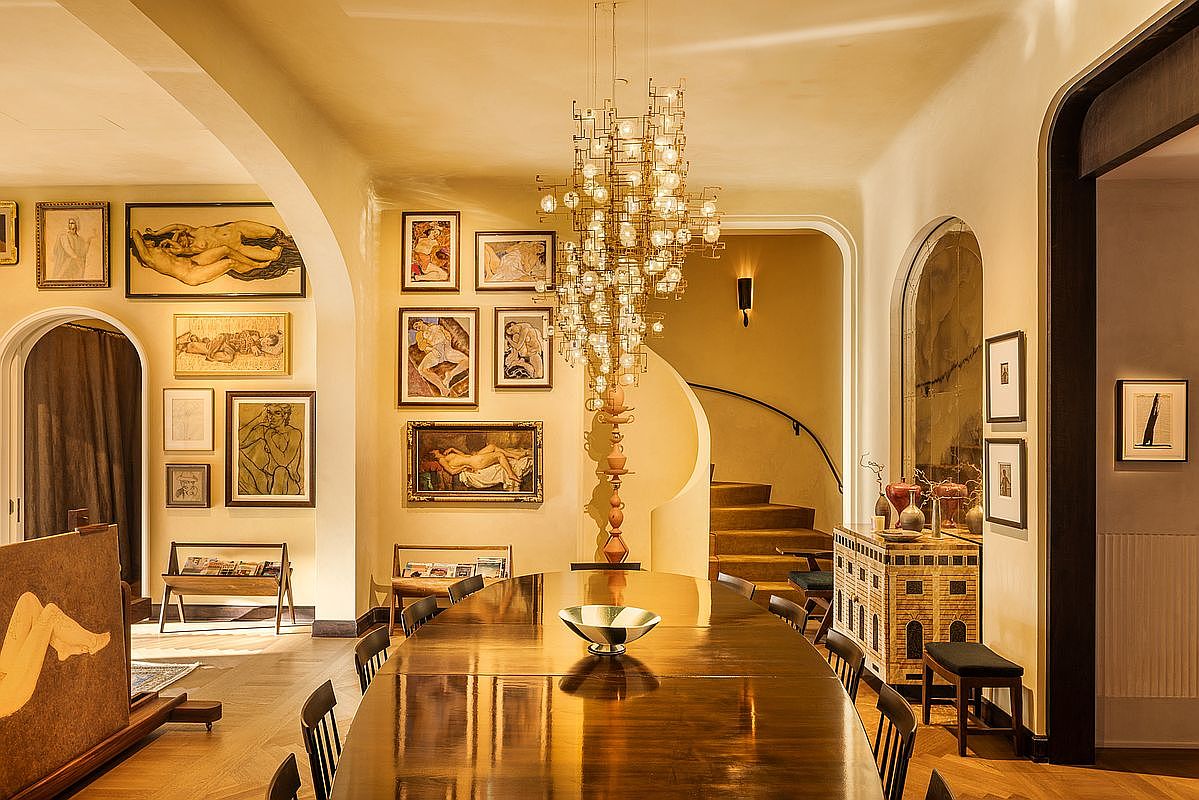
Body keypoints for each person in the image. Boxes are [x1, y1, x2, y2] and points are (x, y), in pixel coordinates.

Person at [1, 592, 110, 719]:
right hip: (7, 696)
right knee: (50, 612)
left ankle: (61, 646)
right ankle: (92, 642)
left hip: (2, 674)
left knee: (28, 600)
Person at [238, 403, 304, 496]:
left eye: (277, 413)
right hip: (266, 480)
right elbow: (238, 443)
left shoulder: (294, 433)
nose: (271, 417)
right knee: (237, 455)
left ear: (285, 415)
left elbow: (283, 462)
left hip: (287, 481)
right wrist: (257, 420)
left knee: (280, 471)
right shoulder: (263, 429)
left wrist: (268, 438)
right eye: (269, 413)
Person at [411, 319, 469, 396]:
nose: (418, 327)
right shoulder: (420, 334)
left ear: (421, 321)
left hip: (447, 349)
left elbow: (446, 333)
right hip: (435, 351)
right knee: (421, 369)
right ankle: (442, 388)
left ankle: (450, 375)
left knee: (467, 360)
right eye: (416, 328)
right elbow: (422, 346)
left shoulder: (434, 326)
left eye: (417, 324)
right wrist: (432, 349)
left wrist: (448, 340)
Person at [430, 444, 527, 486]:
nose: (435, 448)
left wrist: (452, 449)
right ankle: (511, 474)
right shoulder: (441, 460)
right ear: (433, 454)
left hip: (474, 457)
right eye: (433, 450)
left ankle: (515, 456)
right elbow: (451, 471)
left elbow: (463, 455)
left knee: (492, 446)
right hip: (475, 462)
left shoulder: (445, 456)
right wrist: (464, 467)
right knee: (499, 455)